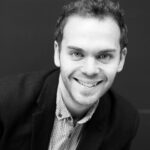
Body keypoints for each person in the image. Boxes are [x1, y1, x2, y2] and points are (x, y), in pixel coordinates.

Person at [0, 0, 139, 149]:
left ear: (121, 59)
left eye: (104, 56)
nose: (90, 70)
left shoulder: (124, 122)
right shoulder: (5, 103)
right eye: (77, 53)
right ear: (57, 53)